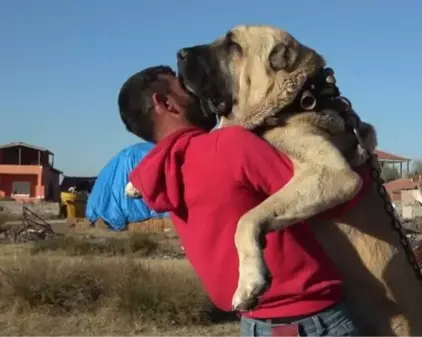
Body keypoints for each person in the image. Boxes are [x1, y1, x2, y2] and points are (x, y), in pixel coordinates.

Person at [117, 65, 365, 337]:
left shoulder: (156, 175)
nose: (196, 92)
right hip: (316, 323)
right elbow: (338, 201)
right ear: (165, 103)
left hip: (255, 326)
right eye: (183, 87)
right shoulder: (229, 145)